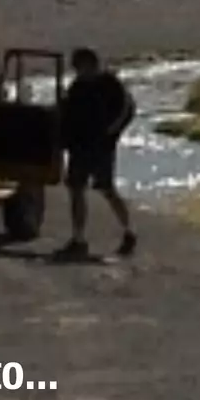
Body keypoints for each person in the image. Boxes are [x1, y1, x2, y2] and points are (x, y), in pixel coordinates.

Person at [52, 46, 137, 260]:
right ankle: (78, 239)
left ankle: (129, 232)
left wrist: (111, 133)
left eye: (79, 66)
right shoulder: (77, 87)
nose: (77, 71)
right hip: (80, 148)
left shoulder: (110, 84)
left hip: (100, 148)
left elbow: (127, 109)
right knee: (76, 190)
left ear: (90, 64)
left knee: (107, 190)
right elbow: (68, 116)